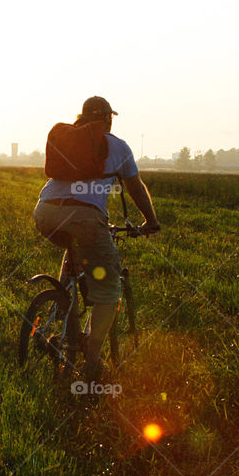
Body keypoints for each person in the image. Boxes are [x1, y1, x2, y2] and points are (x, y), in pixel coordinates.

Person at [33, 96, 160, 384]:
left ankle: (58, 308)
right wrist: (150, 221)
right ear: (108, 119)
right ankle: (92, 360)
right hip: (86, 218)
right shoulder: (118, 146)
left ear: (82, 117)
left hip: (45, 212)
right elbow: (136, 188)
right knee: (110, 288)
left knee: (74, 246)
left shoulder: (67, 139)